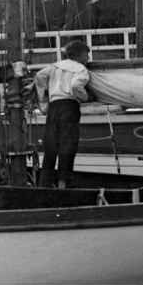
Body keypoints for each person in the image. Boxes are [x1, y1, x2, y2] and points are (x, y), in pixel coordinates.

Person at [33, 39, 91, 188]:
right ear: (79, 55)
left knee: (51, 145)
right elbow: (76, 86)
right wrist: (85, 97)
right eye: (86, 55)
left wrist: (43, 99)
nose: (88, 59)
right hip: (69, 107)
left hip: (54, 107)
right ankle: (62, 184)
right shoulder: (81, 69)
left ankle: (45, 183)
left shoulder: (54, 66)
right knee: (67, 145)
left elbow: (39, 76)